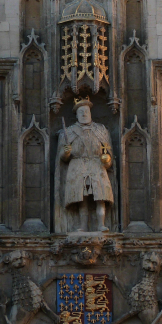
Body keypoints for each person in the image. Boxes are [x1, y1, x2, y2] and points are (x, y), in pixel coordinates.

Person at [58, 96, 113, 232]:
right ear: (76, 115)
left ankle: (101, 224)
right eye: (81, 111)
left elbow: (109, 152)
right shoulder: (69, 131)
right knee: (82, 199)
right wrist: (66, 152)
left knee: (100, 196)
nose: (84, 114)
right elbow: (62, 158)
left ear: (90, 113)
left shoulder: (101, 130)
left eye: (86, 111)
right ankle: (83, 226)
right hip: (78, 166)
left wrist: (107, 159)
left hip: (97, 165)